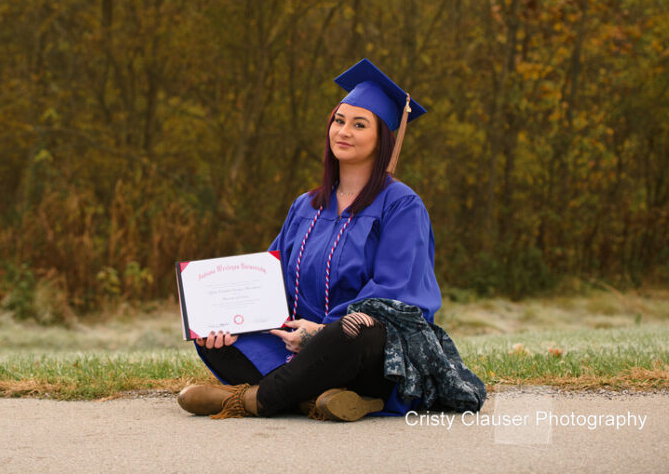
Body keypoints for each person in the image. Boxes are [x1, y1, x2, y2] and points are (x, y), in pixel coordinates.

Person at [177, 58, 484, 421]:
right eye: (339, 121)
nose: (344, 131)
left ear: (382, 136)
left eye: (359, 124)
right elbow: (270, 280)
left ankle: (253, 401)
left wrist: (320, 332)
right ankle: (320, 400)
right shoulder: (305, 205)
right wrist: (227, 319)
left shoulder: (401, 205)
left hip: (360, 350)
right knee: (214, 339)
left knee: (357, 331)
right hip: (296, 343)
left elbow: (396, 292)